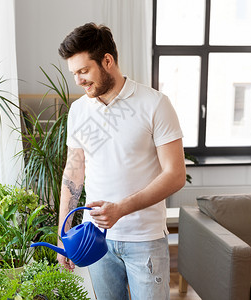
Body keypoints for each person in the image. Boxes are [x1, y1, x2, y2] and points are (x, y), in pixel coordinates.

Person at [56, 22, 186, 300]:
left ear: (107, 61)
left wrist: (121, 209)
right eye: (74, 73)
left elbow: (175, 174)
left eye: (83, 71)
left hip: (145, 239)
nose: (78, 80)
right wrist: (62, 235)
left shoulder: (155, 104)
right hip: (95, 239)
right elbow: (73, 172)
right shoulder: (78, 111)